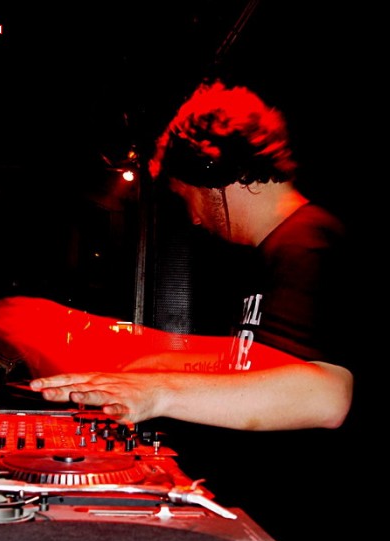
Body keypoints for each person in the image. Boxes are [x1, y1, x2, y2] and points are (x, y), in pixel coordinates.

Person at [28, 78, 354, 433]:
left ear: (212, 172)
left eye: (188, 198)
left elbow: (327, 397)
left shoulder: (310, 245)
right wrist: (154, 364)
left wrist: (158, 391)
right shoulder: (273, 251)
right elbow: (248, 362)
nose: (195, 219)